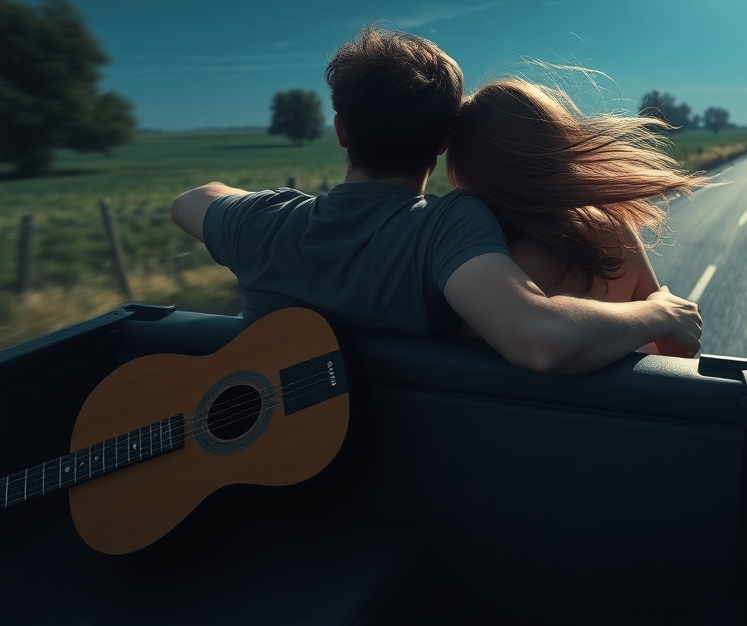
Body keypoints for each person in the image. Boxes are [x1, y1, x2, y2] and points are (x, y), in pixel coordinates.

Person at [171, 24, 701, 374]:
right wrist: (656, 313)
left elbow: (191, 201)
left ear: (341, 132)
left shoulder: (264, 226)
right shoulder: (448, 228)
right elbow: (539, 336)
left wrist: (265, 209)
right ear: (445, 141)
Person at [446, 78, 706, 355]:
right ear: (555, 140)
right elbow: (678, 345)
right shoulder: (614, 229)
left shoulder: (488, 271)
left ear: (468, 174)